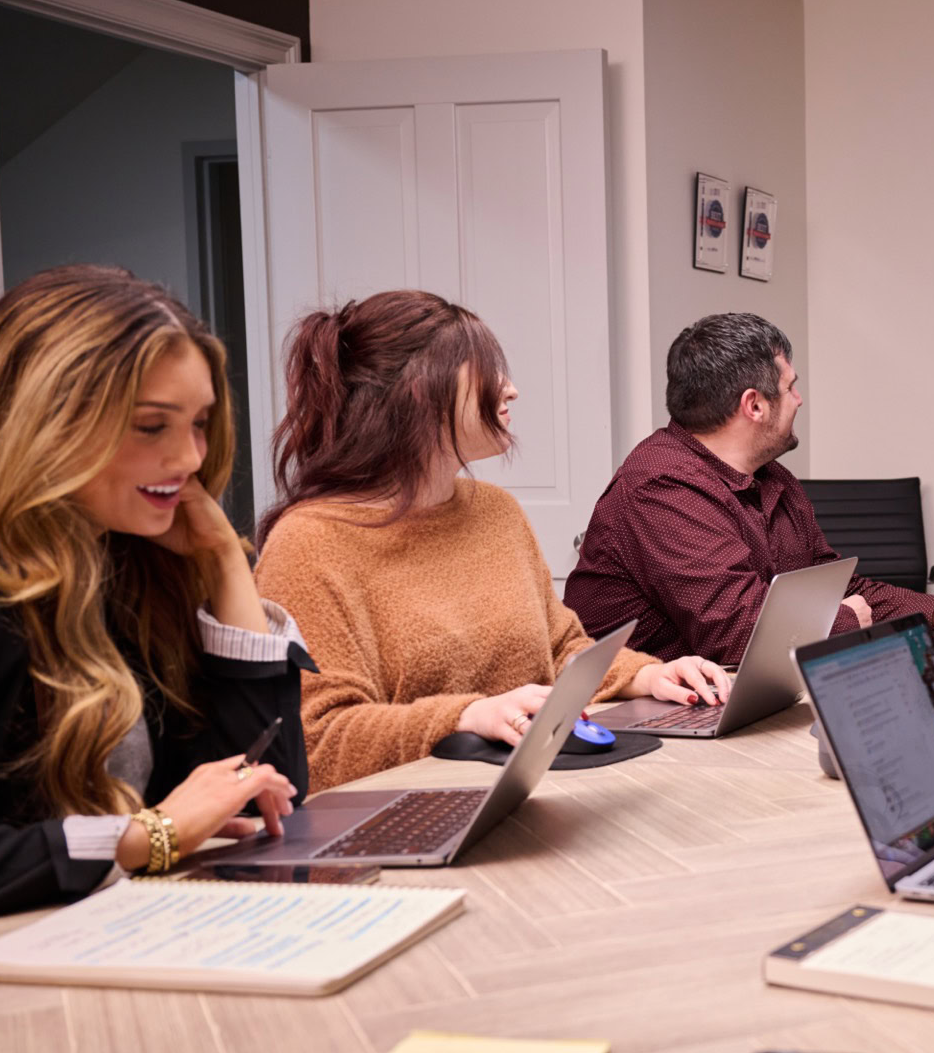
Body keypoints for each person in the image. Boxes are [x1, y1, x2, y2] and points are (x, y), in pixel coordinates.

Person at [256, 291, 726, 793]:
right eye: (486, 370)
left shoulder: (497, 512)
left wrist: (648, 676)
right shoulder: (309, 544)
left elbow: (562, 647)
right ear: (421, 392)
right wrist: (468, 716)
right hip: (410, 816)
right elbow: (320, 741)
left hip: (535, 795)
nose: (511, 389)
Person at [0, 266, 304, 916]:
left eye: (199, 424)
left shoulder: (129, 565)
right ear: (48, 423)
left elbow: (266, 799)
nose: (190, 458)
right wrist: (145, 837)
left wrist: (225, 565)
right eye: (152, 426)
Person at [564, 313, 934, 664]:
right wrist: (849, 620)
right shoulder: (661, 487)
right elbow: (738, 634)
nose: (799, 399)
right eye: (790, 387)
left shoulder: (772, 477)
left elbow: (840, 588)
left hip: (738, 698)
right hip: (638, 720)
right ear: (754, 406)